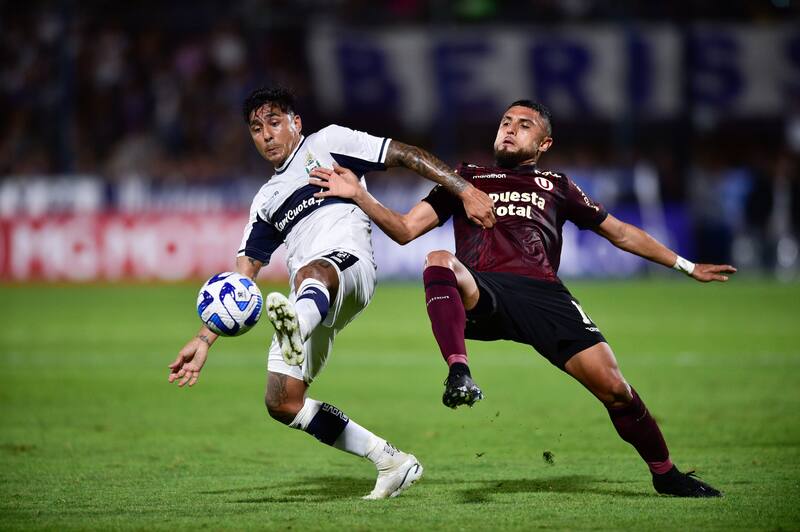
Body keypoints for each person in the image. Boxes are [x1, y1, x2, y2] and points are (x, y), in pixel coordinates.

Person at [308, 100, 737, 498]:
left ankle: (665, 474)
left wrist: (687, 266)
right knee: (438, 259)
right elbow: (404, 230)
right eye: (505, 122)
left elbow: (620, 232)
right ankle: (459, 372)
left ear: (544, 143)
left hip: (544, 296)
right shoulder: (466, 179)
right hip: (484, 290)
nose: (510, 130)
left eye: (524, 125)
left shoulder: (558, 185)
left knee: (617, 391)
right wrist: (361, 195)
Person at [167, 87, 495, 499]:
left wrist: (464, 190)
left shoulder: (329, 143)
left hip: (348, 268)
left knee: (313, 271)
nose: (266, 134)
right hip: (309, 297)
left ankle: (297, 325)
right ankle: (390, 461)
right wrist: (204, 338)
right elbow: (243, 276)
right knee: (282, 402)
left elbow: (405, 154)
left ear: (296, 123)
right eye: (256, 128)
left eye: (274, 122)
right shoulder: (266, 200)